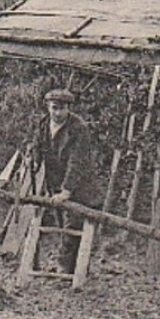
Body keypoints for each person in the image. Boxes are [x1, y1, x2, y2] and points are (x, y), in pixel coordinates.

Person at [32, 88, 99, 272]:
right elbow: (37, 147)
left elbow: (76, 161)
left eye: (62, 109)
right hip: (55, 181)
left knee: (73, 225)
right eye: (54, 108)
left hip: (79, 184)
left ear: (69, 108)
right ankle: (71, 266)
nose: (57, 113)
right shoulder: (43, 124)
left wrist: (67, 190)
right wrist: (34, 162)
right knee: (62, 223)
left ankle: (68, 268)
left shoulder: (79, 128)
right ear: (47, 107)